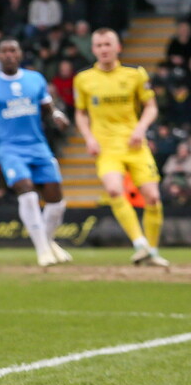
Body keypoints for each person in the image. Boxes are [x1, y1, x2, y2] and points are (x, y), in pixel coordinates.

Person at [73, 28, 167, 266]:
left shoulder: (135, 74)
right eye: (99, 45)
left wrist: (140, 128)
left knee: (153, 198)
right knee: (115, 190)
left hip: (135, 145)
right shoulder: (83, 79)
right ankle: (139, 243)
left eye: (108, 44)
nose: (104, 49)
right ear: (93, 49)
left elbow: (151, 107)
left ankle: (153, 251)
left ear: (118, 47)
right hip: (106, 148)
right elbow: (80, 113)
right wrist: (89, 138)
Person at [0, 39, 72, 266]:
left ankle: (47, 243)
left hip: (38, 146)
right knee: (26, 191)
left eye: (13, 50)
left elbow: (49, 108)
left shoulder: (35, 79)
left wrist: (58, 115)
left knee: (56, 202)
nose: (9, 55)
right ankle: (42, 251)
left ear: (20, 54)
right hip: (10, 149)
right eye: (4, 51)